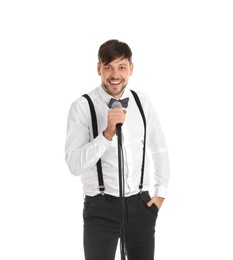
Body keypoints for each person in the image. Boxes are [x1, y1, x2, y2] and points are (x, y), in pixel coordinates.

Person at [65, 39, 170, 260]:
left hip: (141, 205)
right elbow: (74, 165)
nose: (115, 75)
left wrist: (160, 194)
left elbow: (159, 148)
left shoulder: (142, 102)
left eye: (121, 67)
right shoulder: (82, 107)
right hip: (100, 208)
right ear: (98, 69)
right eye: (108, 67)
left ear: (131, 69)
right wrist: (106, 135)